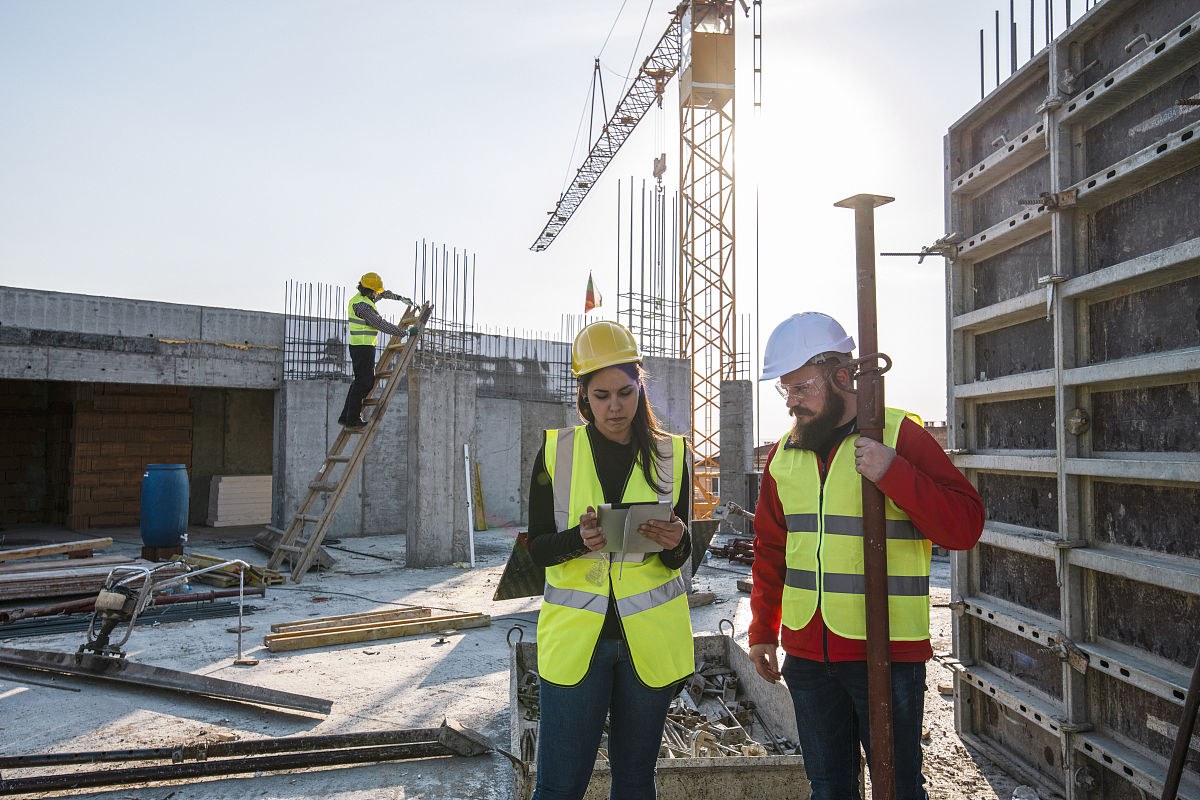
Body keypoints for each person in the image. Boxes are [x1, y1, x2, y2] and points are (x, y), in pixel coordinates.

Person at [747, 312, 984, 800]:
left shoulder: (899, 437)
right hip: (808, 657)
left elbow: (964, 525)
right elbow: (771, 550)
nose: (792, 403)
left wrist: (894, 472)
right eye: (785, 391)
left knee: (897, 788)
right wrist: (762, 632)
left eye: (802, 388)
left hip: (887, 652)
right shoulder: (783, 454)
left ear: (840, 376)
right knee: (829, 788)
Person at [526, 319, 693, 800]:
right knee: (559, 787)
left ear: (640, 385)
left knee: (637, 784)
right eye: (601, 396)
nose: (615, 407)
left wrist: (677, 539)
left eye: (625, 391)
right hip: (579, 642)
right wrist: (578, 540)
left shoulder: (671, 455)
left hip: (648, 644)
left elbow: (674, 561)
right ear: (583, 396)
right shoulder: (556, 452)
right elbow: (537, 549)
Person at [338, 272, 410, 429]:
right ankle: (352, 419)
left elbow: (383, 293)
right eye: (375, 291)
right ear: (369, 290)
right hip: (362, 347)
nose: (378, 294)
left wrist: (399, 298)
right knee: (365, 382)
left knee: (360, 382)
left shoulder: (362, 298)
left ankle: (346, 417)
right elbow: (380, 324)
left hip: (361, 346)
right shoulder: (362, 306)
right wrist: (405, 332)